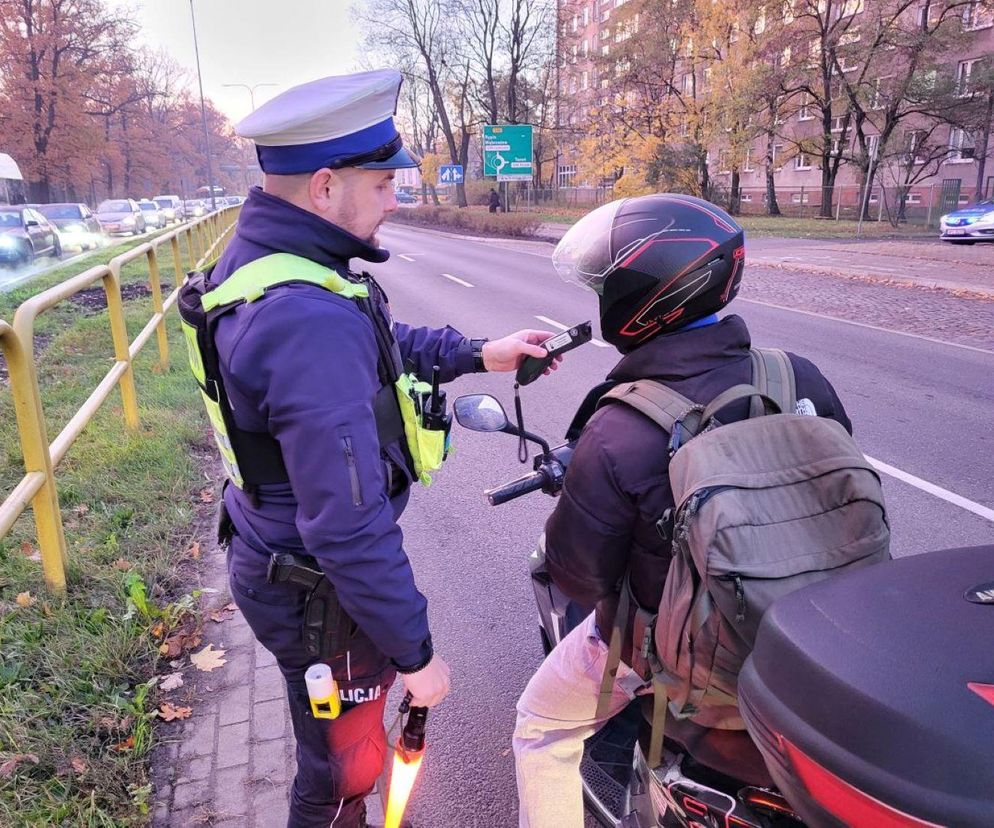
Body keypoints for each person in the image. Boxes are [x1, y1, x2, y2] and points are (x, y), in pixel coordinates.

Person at [202, 70, 559, 828]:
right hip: (313, 591)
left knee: (339, 765)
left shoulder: (275, 267)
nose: (399, 198)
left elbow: (375, 348)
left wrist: (477, 353)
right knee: (340, 778)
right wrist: (416, 656)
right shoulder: (304, 317)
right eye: (385, 181)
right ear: (326, 188)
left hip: (276, 554)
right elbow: (347, 528)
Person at [511, 194, 853, 827]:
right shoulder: (796, 377)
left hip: (685, 659)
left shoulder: (619, 425)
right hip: (813, 626)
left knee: (541, 730)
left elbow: (577, 575)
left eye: (606, 286)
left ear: (644, 296)